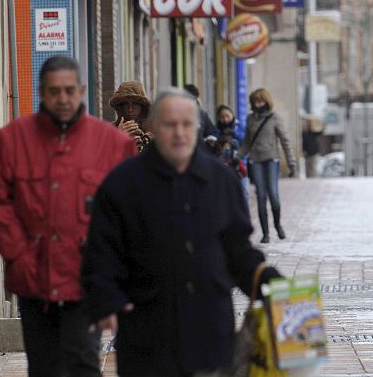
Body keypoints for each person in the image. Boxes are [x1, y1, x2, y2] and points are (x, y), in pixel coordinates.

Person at [81, 88, 280, 377]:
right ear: (153, 127)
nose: (179, 133)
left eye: (186, 124)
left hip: (209, 335)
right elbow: (101, 253)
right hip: (146, 338)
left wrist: (264, 278)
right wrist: (106, 299)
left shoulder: (221, 181)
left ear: (197, 128)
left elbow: (237, 251)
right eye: (169, 125)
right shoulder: (122, 185)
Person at [0, 55, 136, 377]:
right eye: (54, 91)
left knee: (82, 363)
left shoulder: (114, 145)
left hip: (86, 279)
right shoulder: (11, 141)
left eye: (69, 90)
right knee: (44, 366)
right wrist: (18, 253)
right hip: (33, 278)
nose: (62, 99)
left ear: (82, 90)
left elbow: (129, 211)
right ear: (41, 92)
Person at [239, 87, 296, 244]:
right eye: (255, 101)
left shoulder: (274, 118)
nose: (258, 104)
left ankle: (277, 224)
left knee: (274, 196)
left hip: (272, 160)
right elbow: (246, 142)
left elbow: (285, 140)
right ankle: (265, 234)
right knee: (261, 196)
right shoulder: (250, 119)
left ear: (266, 101)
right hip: (255, 160)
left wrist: (291, 162)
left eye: (261, 101)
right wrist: (237, 158)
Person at [110, 80, 152, 151]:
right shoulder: (110, 130)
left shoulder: (155, 129)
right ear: (120, 106)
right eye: (126, 104)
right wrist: (118, 137)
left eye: (135, 103)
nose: (130, 109)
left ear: (142, 106)